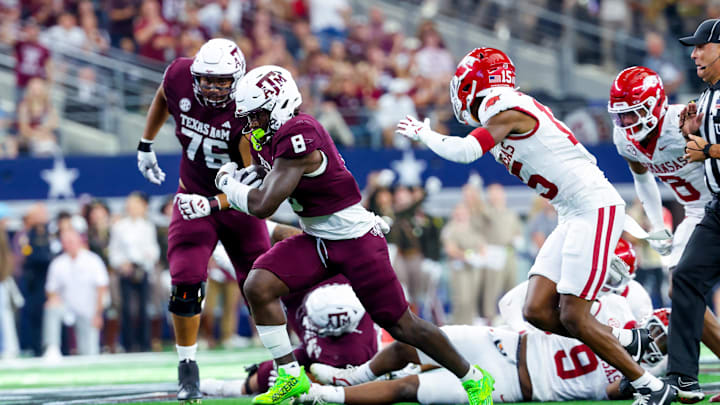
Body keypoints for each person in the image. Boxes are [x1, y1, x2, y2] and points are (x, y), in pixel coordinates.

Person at [177, 65, 495, 405]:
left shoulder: (300, 132)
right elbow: (268, 172)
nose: (251, 124)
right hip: (319, 240)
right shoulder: (273, 135)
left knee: (403, 324)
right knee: (259, 285)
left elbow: (264, 204)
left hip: (356, 241)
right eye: (249, 117)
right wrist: (228, 189)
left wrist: (227, 184)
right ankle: (290, 376)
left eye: (256, 116)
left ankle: (475, 378)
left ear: (280, 104)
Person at [395, 47, 674, 405]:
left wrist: (424, 134)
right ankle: (627, 340)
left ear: (477, 82)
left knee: (574, 315)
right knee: (537, 310)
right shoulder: (502, 110)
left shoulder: (504, 106)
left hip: (592, 206)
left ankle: (651, 387)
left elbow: (465, 152)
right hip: (571, 211)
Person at [137, 38, 271, 403]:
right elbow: (165, 96)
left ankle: (285, 363)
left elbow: (255, 181)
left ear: (237, 79)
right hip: (191, 193)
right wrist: (146, 142)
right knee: (184, 283)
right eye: (206, 80)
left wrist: (214, 203)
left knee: (263, 285)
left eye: (221, 81)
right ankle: (187, 367)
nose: (211, 87)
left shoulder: (248, 111)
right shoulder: (180, 75)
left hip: (237, 205)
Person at [303, 291, 644, 405]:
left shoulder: (640, 374)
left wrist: (637, 385)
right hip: (504, 344)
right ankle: (351, 378)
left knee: (408, 388)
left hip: (511, 385)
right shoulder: (613, 313)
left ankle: (323, 396)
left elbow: (613, 390)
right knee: (411, 343)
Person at [610, 65, 720, 403]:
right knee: (681, 288)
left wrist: (699, 139)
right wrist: (658, 230)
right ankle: (684, 378)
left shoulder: (687, 120)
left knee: (684, 288)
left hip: (716, 204)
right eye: (621, 117)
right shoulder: (624, 140)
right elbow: (643, 180)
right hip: (696, 214)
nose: (626, 124)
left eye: (633, 114)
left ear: (655, 105)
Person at [662, 18, 720, 402]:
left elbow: (711, 153)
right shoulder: (706, 97)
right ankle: (682, 378)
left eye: (702, 46)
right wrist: (693, 136)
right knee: (685, 277)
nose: (694, 53)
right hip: (719, 208)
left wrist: (709, 150)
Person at [200, 276, 378, 397]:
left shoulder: (356, 349)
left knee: (284, 376)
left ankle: (239, 388)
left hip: (351, 355)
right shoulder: (306, 292)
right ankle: (238, 387)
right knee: (271, 372)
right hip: (318, 340)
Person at [43, 228, 108, 357]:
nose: (69, 244)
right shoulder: (58, 263)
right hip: (67, 309)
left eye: (72, 241)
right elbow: (50, 289)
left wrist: (98, 314)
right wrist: (54, 298)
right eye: (66, 241)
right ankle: (52, 348)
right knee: (51, 306)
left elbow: (102, 289)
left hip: (89, 311)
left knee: (89, 353)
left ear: (80, 241)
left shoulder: (93, 260)